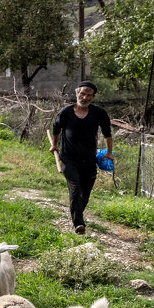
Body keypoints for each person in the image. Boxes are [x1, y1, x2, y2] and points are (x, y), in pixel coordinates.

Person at [50, 80, 113, 235]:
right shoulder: (66, 112)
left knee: (85, 193)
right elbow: (56, 128)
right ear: (77, 93)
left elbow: (107, 132)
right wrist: (55, 145)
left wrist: (109, 152)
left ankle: (77, 211)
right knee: (75, 189)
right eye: (83, 94)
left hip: (89, 159)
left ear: (92, 97)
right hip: (69, 159)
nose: (85, 97)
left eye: (89, 95)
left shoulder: (99, 113)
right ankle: (79, 223)